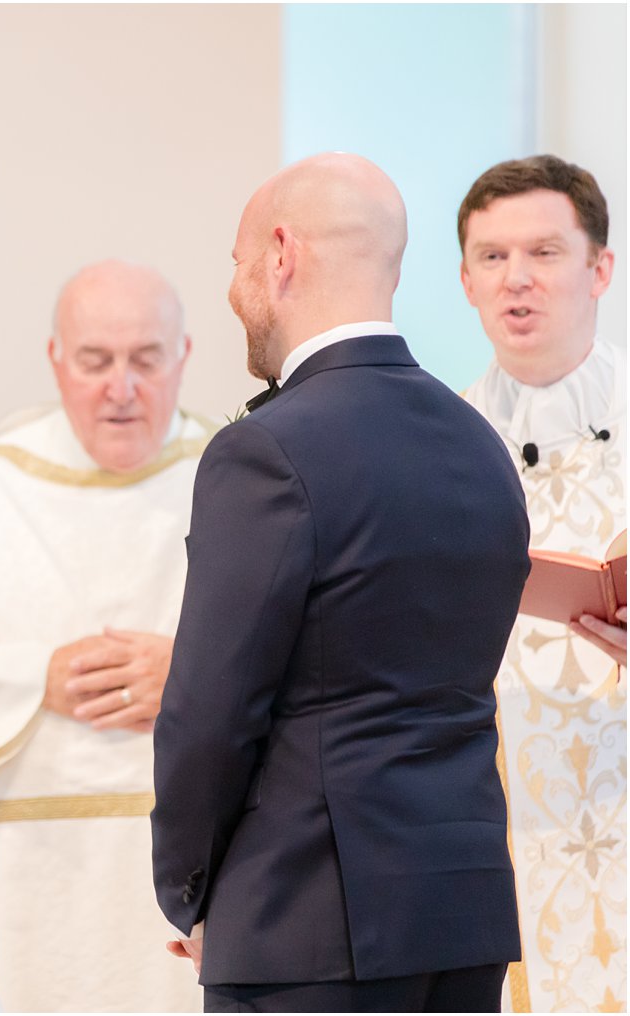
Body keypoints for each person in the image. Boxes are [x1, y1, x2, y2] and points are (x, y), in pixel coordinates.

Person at [150, 153, 531, 1012]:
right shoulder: (479, 442)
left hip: (311, 916)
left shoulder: (268, 450)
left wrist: (191, 886)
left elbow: (211, 708)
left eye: (239, 262)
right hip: (461, 909)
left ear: (281, 254)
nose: (235, 290)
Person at [0, 260, 208, 1011]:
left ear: (185, 356)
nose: (121, 389)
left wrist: (197, 675)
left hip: (199, 864)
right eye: (96, 362)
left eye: (146, 360)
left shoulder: (245, 476)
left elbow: (325, 666)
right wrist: (37, 677)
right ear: (56, 360)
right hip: (23, 868)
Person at [456, 154, 626, 1011]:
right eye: (491, 258)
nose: (516, 279)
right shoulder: (431, 444)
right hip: (496, 827)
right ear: (464, 280)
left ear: (600, 268)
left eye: (545, 253)